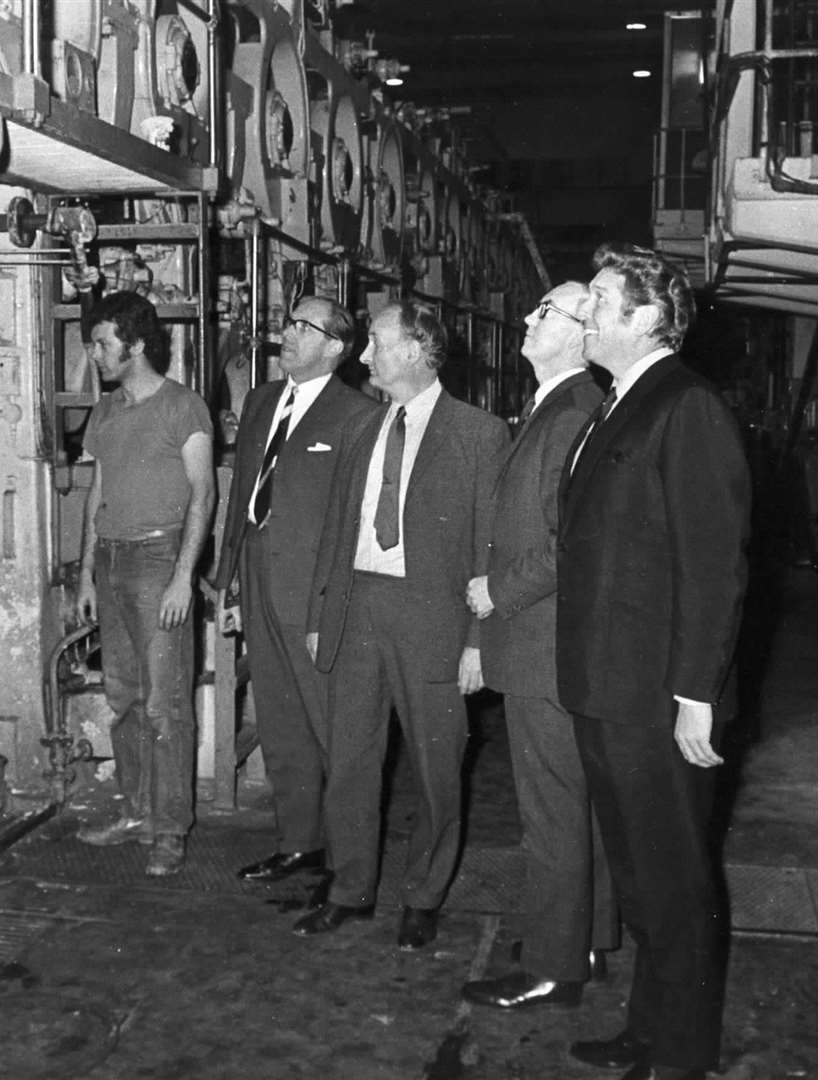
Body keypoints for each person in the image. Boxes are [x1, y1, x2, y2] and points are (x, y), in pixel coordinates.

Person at [558, 244, 750, 1080]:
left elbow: (714, 564)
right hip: (607, 685)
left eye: (600, 298)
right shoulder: (619, 403)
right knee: (641, 880)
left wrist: (695, 693)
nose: (586, 312)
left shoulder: (686, 406)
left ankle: (679, 1055)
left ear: (645, 318)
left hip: (654, 695)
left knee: (673, 885)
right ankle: (647, 1029)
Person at [298, 300, 508, 942]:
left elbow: (490, 548)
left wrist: (480, 641)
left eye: (377, 346)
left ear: (415, 349)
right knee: (352, 759)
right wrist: (320, 613)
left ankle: (424, 896)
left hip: (434, 621)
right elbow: (337, 528)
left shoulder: (480, 433)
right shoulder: (364, 427)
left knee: (436, 768)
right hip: (358, 609)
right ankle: (352, 887)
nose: (365, 358)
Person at [461, 282, 618, 1010]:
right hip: (545, 645)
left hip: (544, 643)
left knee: (552, 810)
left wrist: (500, 591)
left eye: (545, 312)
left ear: (584, 332)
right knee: (572, 805)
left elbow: (572, 540)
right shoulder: (555, 405)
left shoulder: (575, 410)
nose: (526, 318)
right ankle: (580, 937)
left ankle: (554, 965)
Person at [212, 296, 379, 883]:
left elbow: (357, 522)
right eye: (288, 322)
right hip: (258, 579)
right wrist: (228, 578)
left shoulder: (358, 416)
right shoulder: (261, 402)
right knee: (279, 718)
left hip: (315, 592)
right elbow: (242, 499)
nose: (286, 333)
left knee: (331, 726)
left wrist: (335, 605)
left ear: (336, 347)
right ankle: (299, 842)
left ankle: (347, 856)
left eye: (304, 327)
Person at [74, 290, 216, 877]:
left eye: (104, 343)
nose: (95, 353)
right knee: (123, 697)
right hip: (111, 561)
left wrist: (184, 578)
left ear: (135, 344)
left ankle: (169, 828)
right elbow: (96, 494)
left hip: (159, 561)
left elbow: (203, 494)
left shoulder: (184, 407)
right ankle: (134, 812)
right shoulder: (104, 411)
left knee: (164, 704)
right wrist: (85, 573)